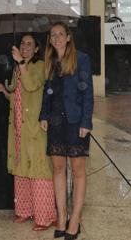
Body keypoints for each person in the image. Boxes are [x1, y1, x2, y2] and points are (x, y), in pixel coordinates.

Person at [0, 34, 56, 231]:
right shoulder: (17, 69)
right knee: (21, 168)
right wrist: (4, 90)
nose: (25, 47)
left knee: (39, 170)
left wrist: (21, 62)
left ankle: (45, 217)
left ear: (37, 49)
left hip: (36, 128)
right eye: (22, 43)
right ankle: (24, 210)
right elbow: (17, 98)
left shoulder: (40, 66)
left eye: (29, 44)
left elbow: (31, 86)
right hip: (18, 127)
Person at [39, 22, 93, 240]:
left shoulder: (81, 59)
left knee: (78, 171)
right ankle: (62, 218)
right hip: (55, 122)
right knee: (58, 169)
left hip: (75, 121)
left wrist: (86, 122)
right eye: (53, 35)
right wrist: (43, 115)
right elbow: (47, 92)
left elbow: (87, 94)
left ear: (69, 37)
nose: (57, 38)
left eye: (61, 34)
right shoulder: (50, 61)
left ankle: (76, 219)